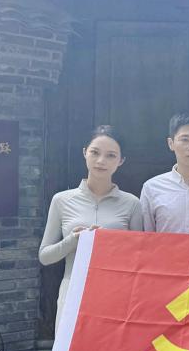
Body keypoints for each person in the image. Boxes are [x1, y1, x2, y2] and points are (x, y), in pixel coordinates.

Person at [39, 125, 143, 331]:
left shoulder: (132, 204)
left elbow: (138, 258)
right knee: (71, 349)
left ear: (121, 160)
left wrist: (113, 244)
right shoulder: (61, 200)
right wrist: (72, 240)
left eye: (111, 155)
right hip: (73, 291)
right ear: (85, 152)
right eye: (95, 152)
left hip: (115, 294)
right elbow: (45, 256)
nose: (101, 161)